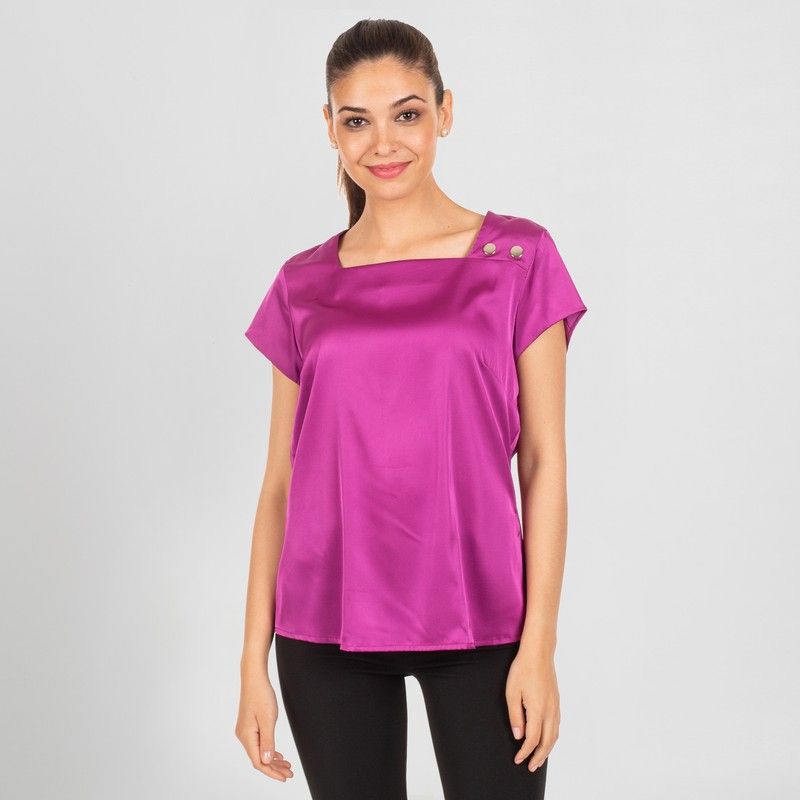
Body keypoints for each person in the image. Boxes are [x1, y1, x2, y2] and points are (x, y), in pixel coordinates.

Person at [234, 18, 588, 800]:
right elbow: (280, 484)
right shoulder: (302, 284)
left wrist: (539, 645)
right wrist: (252, 663)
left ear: (445, 112)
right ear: (330, 128)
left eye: (407, 113)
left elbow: (543, 463)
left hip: (482, 616)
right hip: (324, 624)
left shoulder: (518, 259)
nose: (383, 143)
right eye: (357, 120)